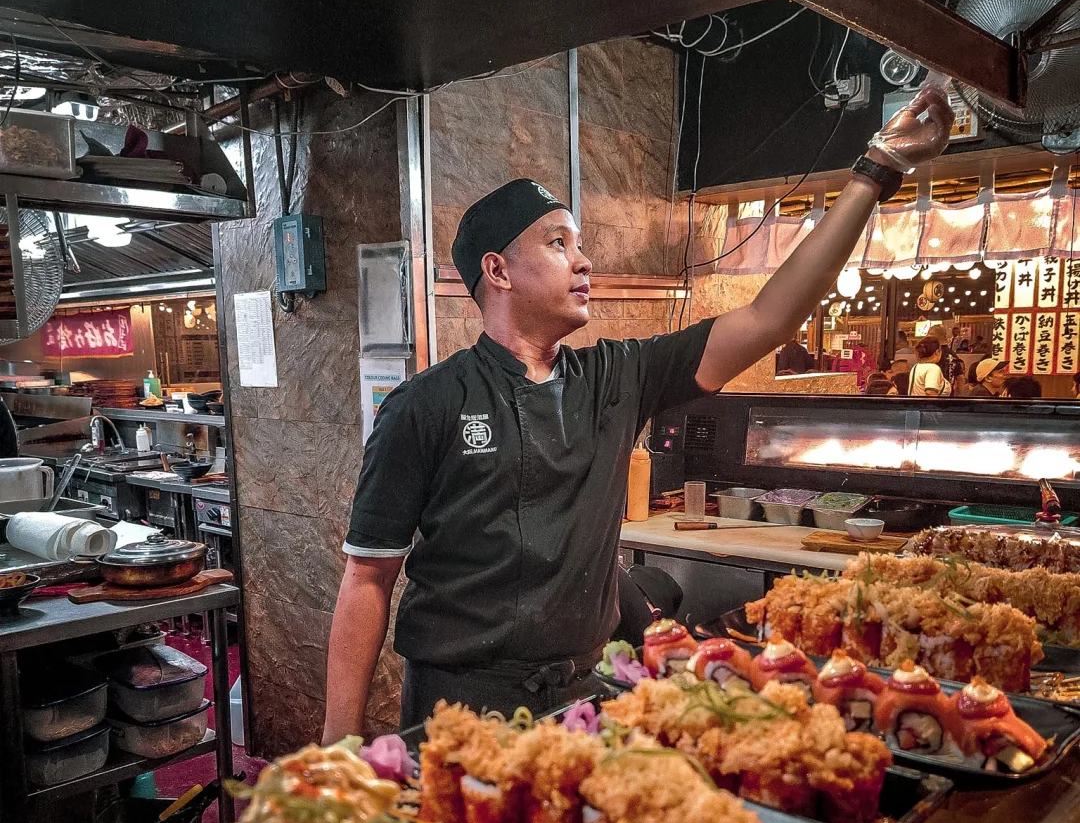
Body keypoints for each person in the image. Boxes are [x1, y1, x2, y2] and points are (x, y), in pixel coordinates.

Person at [323, 87, 953, 736]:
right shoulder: (424, 406)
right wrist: (337, 747)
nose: (585, 259)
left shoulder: (616, 377)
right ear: (499, 271)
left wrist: (876, 169)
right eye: (558, 243)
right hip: (460, 709)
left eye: (579, 243)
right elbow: (368, 578)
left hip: (581, 699)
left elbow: (771, 318)